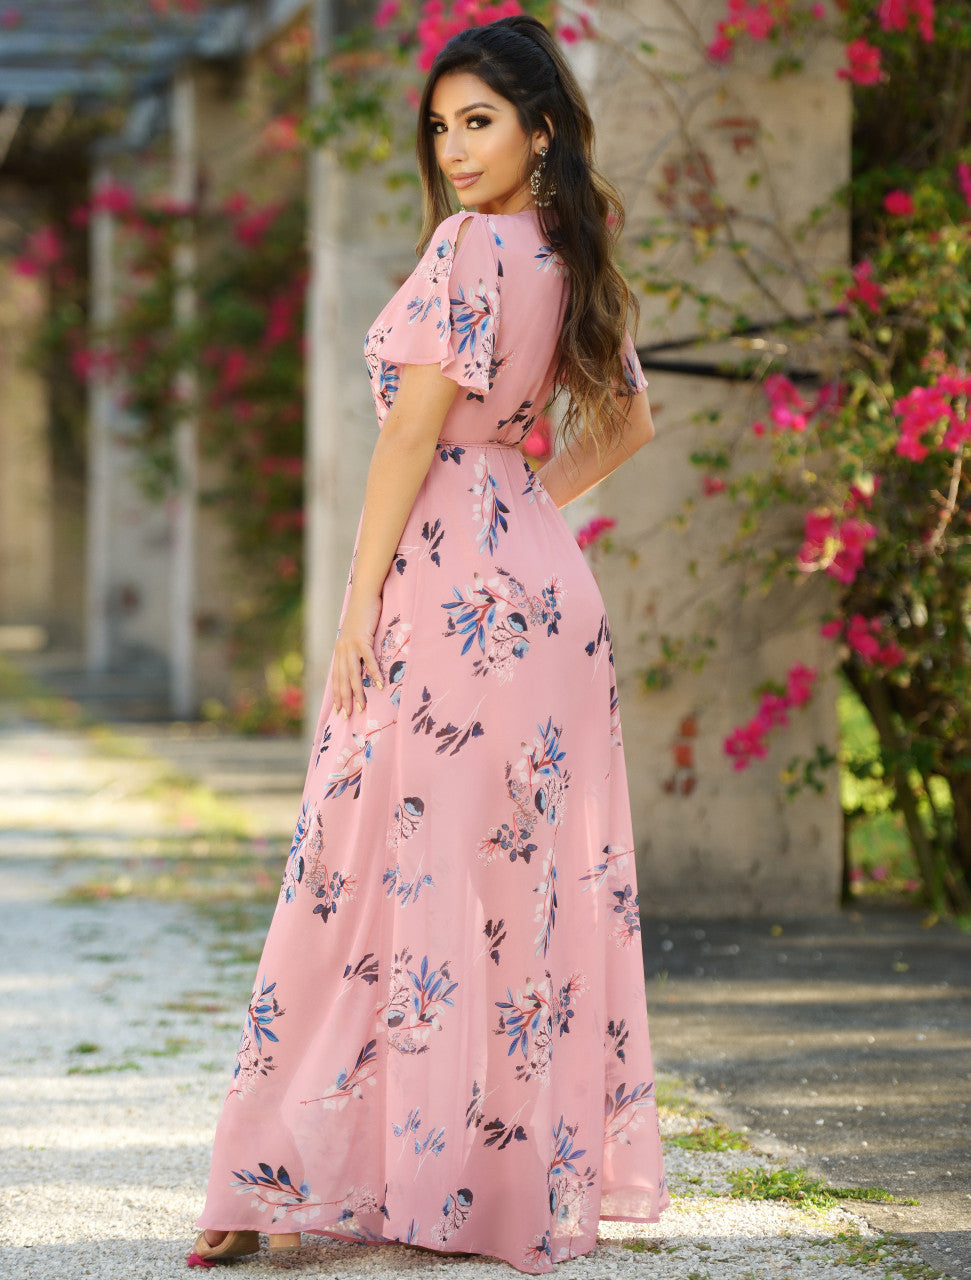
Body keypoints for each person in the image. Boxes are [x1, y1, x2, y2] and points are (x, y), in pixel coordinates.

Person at [189, 14, 667, 1274]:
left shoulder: (466, 246)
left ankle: (277, 1177)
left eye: (481, 122)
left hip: (438, 596)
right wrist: (515, 507)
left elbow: (407, 442)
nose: (454, 148)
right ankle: (476, 1190)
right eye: (444, 124)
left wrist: (357, 609)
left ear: (540, 128)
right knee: (510, 891)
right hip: (542, 594)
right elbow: (627, 425)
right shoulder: (574, 252)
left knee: (353, 873)